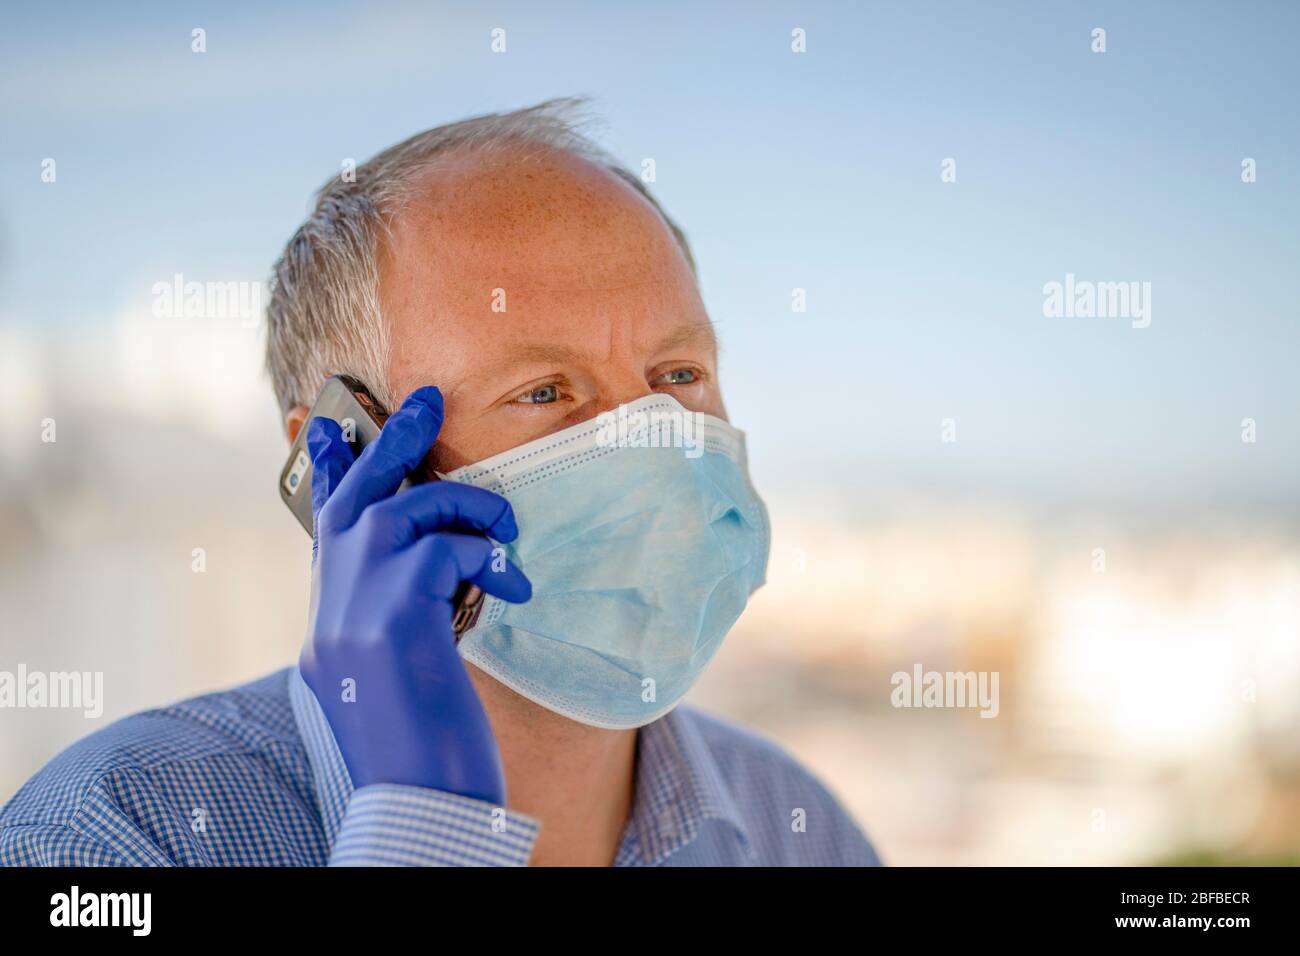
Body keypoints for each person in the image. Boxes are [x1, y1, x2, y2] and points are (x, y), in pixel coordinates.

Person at [0, 99, 879, 867]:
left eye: (679, 375)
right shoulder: (107, 837)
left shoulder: (804, 832)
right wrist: (425, 831)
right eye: (543, 390)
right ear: (340, 458)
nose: (655, 441)